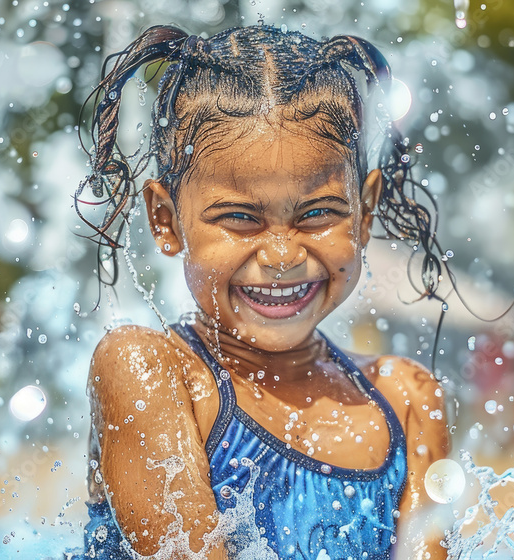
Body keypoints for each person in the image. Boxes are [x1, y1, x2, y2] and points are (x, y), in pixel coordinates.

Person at [76, 24, 450, 559]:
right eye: (239, 218)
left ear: (365, 213)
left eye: (319, 213)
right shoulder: (149, 373)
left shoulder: (408, 401)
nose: (282, 256)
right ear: (165, 220)